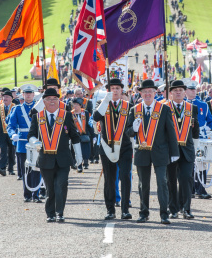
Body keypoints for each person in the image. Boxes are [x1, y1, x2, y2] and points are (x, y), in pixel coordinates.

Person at [126, 79, 179, 225]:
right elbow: (128, 132)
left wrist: (174, 152)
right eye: (145, 92)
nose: (147, 94)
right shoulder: (134, 110)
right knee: (143, 184)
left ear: (155, 93)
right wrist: (134, 129)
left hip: (160, 152)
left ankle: (164, 214)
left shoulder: (164, 109)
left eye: (150, 91)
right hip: (142, 152)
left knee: (162, 182)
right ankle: (144, 213)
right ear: (141, 94)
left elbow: (171, 132)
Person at [27, 88, 81, 222]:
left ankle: (59, 212)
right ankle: (50, 213)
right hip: (46, 159)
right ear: (44, 102)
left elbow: (74, 136)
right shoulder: (37, 117)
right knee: (50, 188)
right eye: (49, 99)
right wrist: (35, 141)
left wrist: (79, 156)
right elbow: (31, 135)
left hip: (63, 159)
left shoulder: (67, 115)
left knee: (60, 185)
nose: (52, 101)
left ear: (59, 101)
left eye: (55, 99)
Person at [93, 78, 133, 220]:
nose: (115, 91)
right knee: (109, 179)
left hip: (124, 147)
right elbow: (96, 117)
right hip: (107, 146)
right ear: (108, 90)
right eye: (112, 88)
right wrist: (105, 101)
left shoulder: (128, 106)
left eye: (117, 88)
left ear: (121, 90)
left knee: (125, 177)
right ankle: (110, 210)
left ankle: (125, 209)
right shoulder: (101, 104)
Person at [165, 80, 199, 219]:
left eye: (180, 90)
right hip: (170, 150)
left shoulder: (192, 108)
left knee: (186, 178)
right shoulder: (164, 108)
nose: (178, 92)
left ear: (185, 92)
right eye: (175, 90)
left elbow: (195, 129)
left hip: (187, 149)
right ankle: (173, 209)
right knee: (171, 180)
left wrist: (195, 148)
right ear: (171, 93)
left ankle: (186, 208)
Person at [186, 81, 212, 199]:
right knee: (188, 163)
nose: (194, 91)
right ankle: (189, 189)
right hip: (186, 139)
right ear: (186, 91)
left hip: (200, 139)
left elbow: (210, 120)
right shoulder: (183, 104)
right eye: (191, 89)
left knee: (201, 162)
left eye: (194, 89)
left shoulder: (203, 105)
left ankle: (200, 188)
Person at [8, 84, 40, 202]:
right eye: (26, 93)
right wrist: (13, 134)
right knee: (25, 170)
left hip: (36, 142)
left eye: (30, 93)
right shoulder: (17, 109)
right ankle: (27, 194)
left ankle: (35, 194)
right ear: (23, 95)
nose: (28, 95)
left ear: (33, 94)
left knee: (36, 169)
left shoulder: (39, 108)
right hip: (22, 143)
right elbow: (10, 125)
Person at [0, 90, 16, 176]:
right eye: (4, 97)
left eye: (7, 97)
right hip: (1, 133)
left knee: (11, 151)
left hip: (12, 133)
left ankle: (11, 169)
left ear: (11, 99)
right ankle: (2, 168)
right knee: (3, 150)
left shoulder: (15, 108)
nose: (5, 98)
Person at [71, 97, 93, 172]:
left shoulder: (85, 113)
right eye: (74, 104)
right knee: (77, 151)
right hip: (75, 135)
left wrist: (93, 135)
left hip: (84, 134)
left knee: (85, 149)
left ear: (80, 105)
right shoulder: (71, 114)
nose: (75, 106)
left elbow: (88, 124)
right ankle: (79, 165)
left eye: (77, 104)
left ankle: (86, 162)